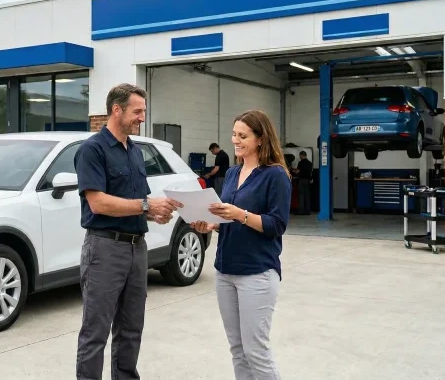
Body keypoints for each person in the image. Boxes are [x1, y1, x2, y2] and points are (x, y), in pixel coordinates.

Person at [74, 83, 183, 380]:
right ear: (116, 110)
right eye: (137, 112)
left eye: (143, 111)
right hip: (105, 249)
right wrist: (146, 204)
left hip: (137, 249)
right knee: (95, 332)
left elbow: (136, 204)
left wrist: (155, 213)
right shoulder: (92, 150)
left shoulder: (134, 151)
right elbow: (97, 203)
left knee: (132, 328)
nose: (142, 118)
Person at [189, 109, 291, 380]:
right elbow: (226, 218)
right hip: (225, 270)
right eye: (234, 134)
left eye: (243, 136)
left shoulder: (275, 175)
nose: (236, 140)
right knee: (237, 349)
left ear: (260, 138)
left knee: (256, 351)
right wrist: (210, 224)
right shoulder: (233, 173)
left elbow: (277, 225)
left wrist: (240, 215)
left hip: (256, 273)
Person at [295, 151, 313, 215]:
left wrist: (293, 170)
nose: (299, 157)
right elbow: (311, 172)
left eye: (300, 156)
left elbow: (297, 172)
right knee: (307, 196)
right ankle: (307, 211)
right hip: (308, 181)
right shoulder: (310, 163)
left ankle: (301, 211)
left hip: (301, 180)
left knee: (301, 196)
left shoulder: (300, 163)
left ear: (302, 155)